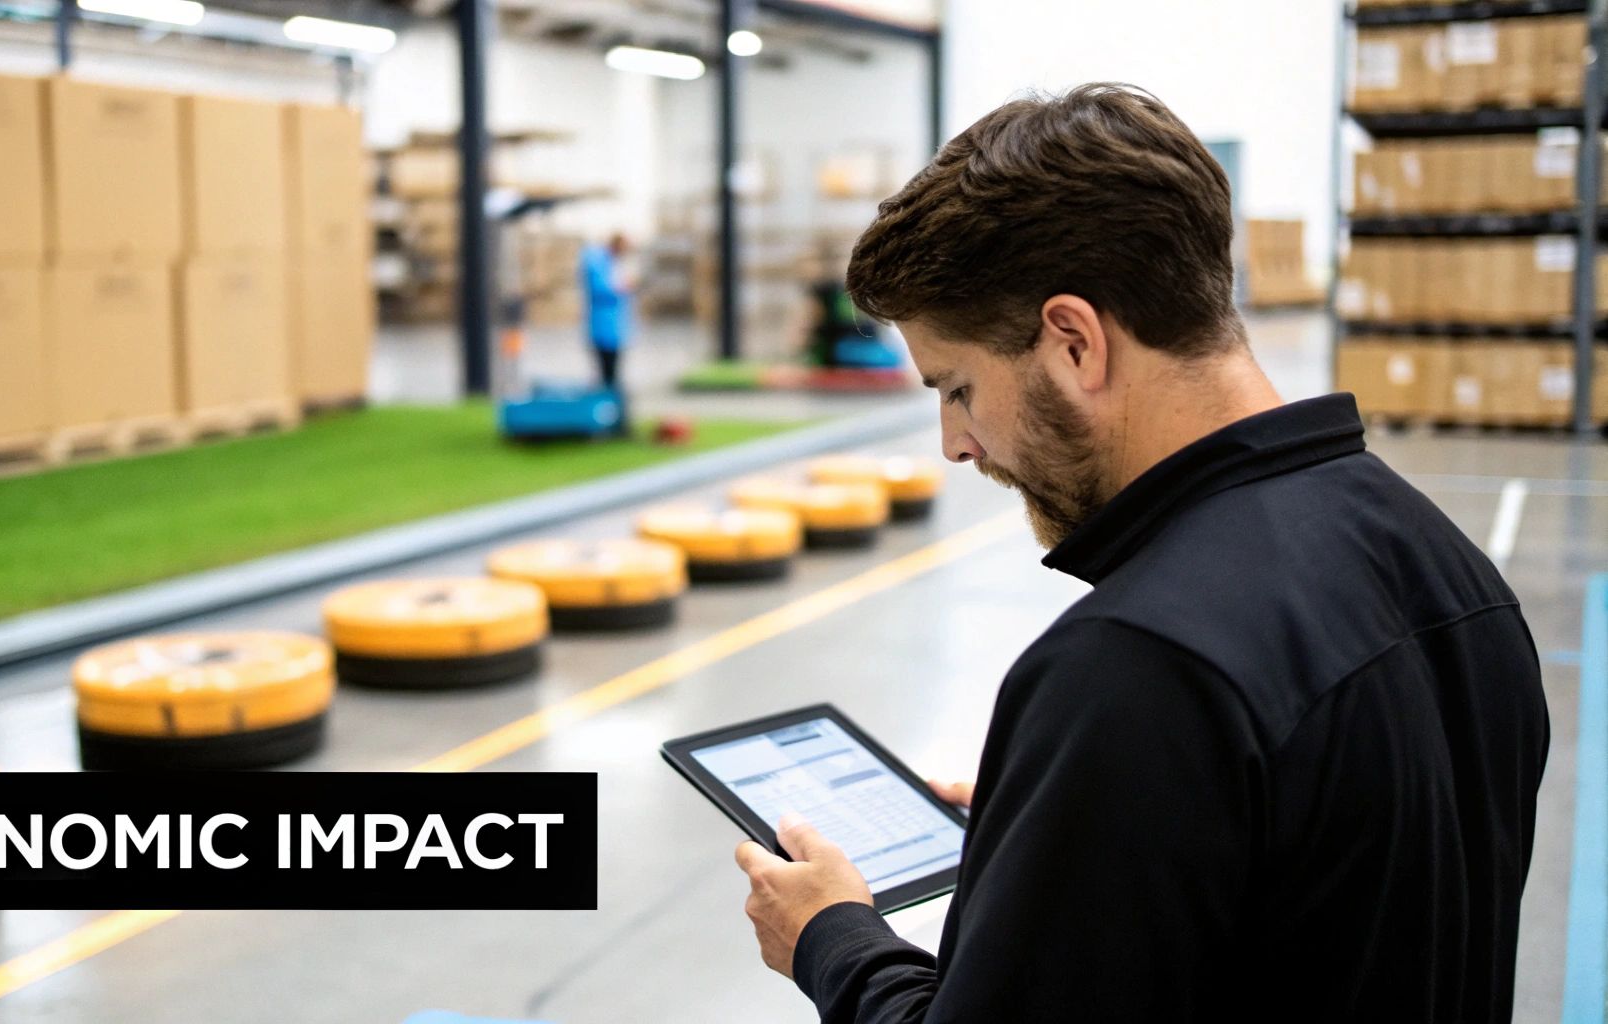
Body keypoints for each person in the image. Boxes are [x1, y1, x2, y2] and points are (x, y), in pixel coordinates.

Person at [732, 83, 1548, 1023]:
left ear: (1074, 343)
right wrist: (1076, 825)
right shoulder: (1445, 564)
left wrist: (833, 938)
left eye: (957, 389)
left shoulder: (1138, 665)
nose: (955, 444)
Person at [580, 233, 634, 391]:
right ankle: (606, 398)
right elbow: (600, 289)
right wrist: (623, 288)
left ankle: (611, 396)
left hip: (615, 329)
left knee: (612, 371)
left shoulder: (613, 263)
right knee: (606, 370)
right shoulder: (597, 262)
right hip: (603, 328)